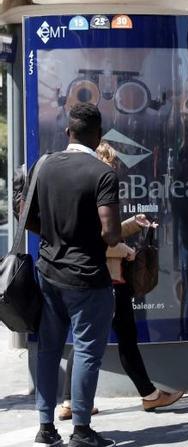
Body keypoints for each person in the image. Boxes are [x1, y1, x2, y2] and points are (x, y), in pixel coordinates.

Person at [56, 143, 183, 421]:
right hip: (109, 280)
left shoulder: (87, 189)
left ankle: (72, 402)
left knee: (89, 341)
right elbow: (100, 240)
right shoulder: (97, 188)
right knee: (116, 340)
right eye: (111, 163)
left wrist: (133, 223)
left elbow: (104, 232)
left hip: (101, 279)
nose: (114, 170)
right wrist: (126, 250)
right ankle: (145, 396)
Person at [26, 103, 122, 447]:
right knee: (85, 352)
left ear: (69, 132)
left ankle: (45, 427)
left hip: (48, 273)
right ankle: (81, 430)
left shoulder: (45, 165)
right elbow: (111, 233)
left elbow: (26, 215)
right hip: (88, 278)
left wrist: (55, 235)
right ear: (99, 136)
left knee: (48, 349)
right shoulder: (103, 173)